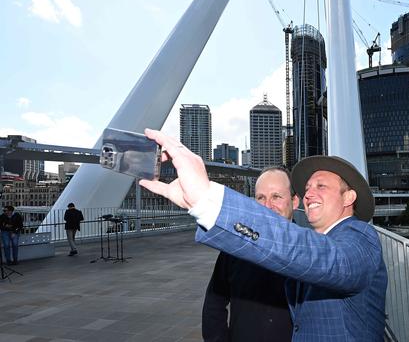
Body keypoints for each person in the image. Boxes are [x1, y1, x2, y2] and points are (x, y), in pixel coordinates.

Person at [140, 129, 387, 341]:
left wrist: (208, 199)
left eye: (321, 186)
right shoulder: (319, 243)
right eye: (308, 187)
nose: (310, 193)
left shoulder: (362, 238)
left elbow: (324, 259)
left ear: (349, 197)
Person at [202, 166, 298, 342]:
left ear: (295, 201)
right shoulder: (235, 247)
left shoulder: (312, 250)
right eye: (261, 198)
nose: (268, 206)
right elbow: (214, 303)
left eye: (276, 196)